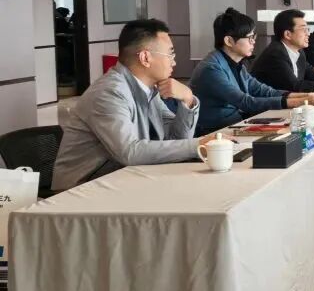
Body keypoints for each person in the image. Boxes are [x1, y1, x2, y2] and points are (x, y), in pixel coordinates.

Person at [51, 19, 218, 190]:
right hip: (82, 189)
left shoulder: (149, 89)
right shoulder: (109, 92)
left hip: (122, 178)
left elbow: (175, 140)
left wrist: (188, 99)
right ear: (145, 58)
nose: (174, 62)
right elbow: (129, 152)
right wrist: (199, 145)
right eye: (170, 55)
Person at [190, 8, 314, 136]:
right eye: (249, 38)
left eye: (254, 37)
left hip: (236, 124)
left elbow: (264, 91)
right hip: (215, 133)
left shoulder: (236, 64)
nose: (253, 42)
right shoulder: (211, 69)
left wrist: (307, 96)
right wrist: (300, 101)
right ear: (229, 41)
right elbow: (246, 102)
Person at [251, 9, 314, 92]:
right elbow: (295, 86)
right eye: (303, 30)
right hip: (266, 108)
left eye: (307, 29)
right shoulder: (276, 53)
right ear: (287, 34)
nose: (308, 34)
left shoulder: (299, 52)